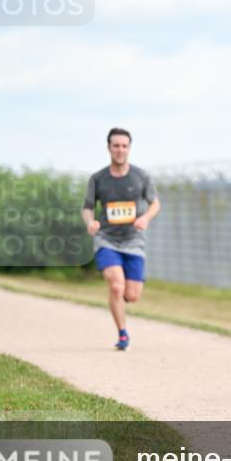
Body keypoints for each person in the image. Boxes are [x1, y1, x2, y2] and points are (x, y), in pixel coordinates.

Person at [81, 128, 161, 350]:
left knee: (131, 295)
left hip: (134, 240)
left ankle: (121, 295)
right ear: (109, 148)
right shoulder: (98, 179)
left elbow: (155, 203)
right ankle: (122, 333)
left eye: (124, 146)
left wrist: (145, 218)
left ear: (129, 148)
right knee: (116, 286)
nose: (120, 150)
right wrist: (90, 222)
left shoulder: (141, 176)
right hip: (106, 239)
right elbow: (87, 208)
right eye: (116, 145)